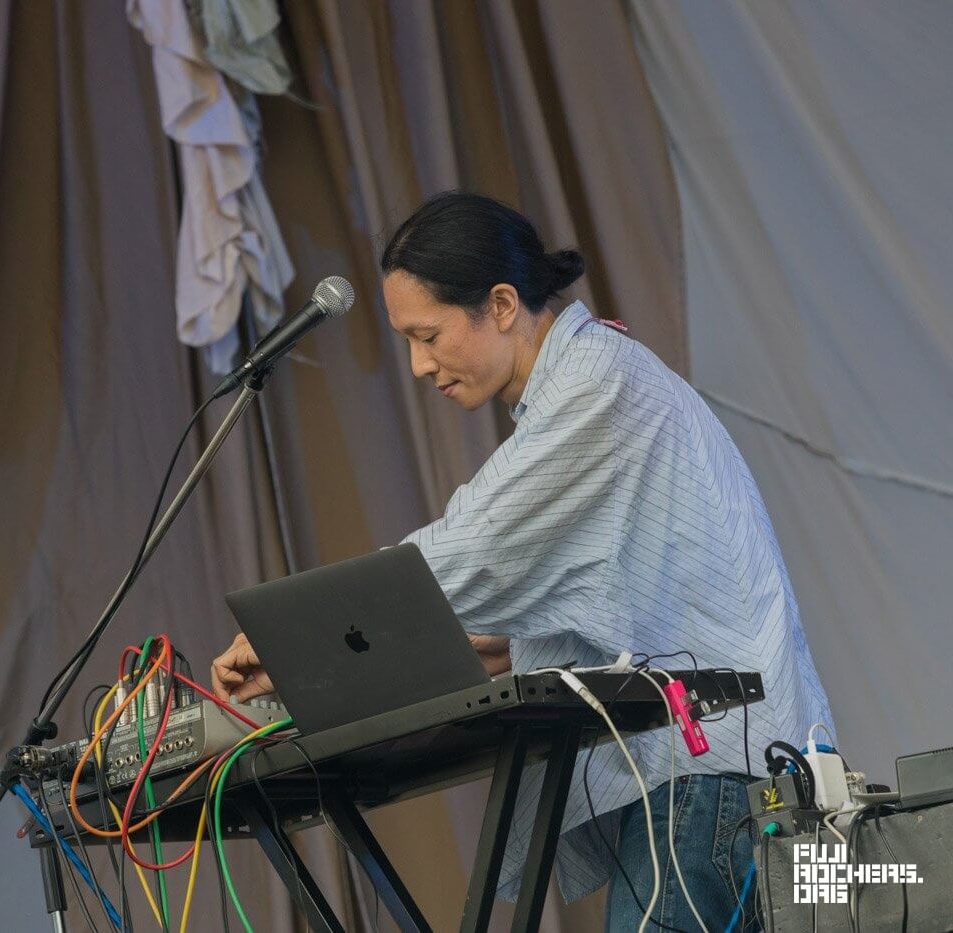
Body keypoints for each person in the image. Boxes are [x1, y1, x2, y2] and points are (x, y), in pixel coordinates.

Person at [211, 191, 835, 931]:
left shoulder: (596, 388)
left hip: (711, 773)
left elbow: (473, 551)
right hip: (723, 774)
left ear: (502, 304)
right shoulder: (592, 383)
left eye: (428, 334)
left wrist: (303, 640)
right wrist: (319, 665)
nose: (417, 364)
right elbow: (572, 605)